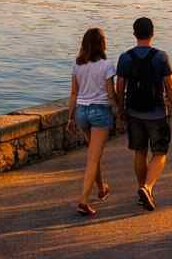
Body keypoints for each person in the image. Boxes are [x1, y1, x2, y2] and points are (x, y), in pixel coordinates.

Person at [114, 16, 172, 211]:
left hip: (134, 112)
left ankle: (141, 191)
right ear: (152, 33)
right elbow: (170, 86)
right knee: (160, 153)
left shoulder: (125, 57)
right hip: (157, 113)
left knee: (140, 152)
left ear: (134, 34)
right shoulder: (161, 57)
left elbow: (120, 87)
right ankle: (147, 187)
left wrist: (121, 110)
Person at [65, 27, 119, 215]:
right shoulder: (107, 65)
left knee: (93, 155)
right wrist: (119, 110)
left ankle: (102, 189)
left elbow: (73, 94)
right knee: (93, 158)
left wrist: (70, 117)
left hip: (81, 112)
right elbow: (110, 94)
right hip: (99, 112)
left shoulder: (77, 65)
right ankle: (83, 200)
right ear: (102, 44)